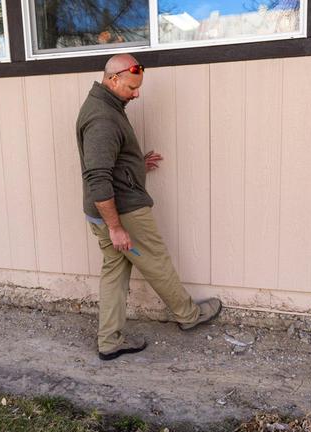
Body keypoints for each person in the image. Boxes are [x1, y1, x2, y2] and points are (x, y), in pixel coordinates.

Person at [76, 53, 222, 361]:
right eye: (131, 87)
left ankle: (109, 340)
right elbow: (97, 176)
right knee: (156, 262)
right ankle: (189, 315)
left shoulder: (106, 105)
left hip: (106, 208)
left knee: (114, 272)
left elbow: (106, 162)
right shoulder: (102, 117)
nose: (137, 93)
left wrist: (136, 166)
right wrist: (116, 227)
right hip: (123, 211)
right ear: (112, 79)